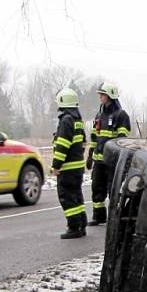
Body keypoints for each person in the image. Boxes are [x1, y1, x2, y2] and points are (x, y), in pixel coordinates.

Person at [86, 82, 131, 226]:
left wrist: (120, 160)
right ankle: (98, 216)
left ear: (110, 95)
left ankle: (115, 218)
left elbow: (122, 140)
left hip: (113, 162)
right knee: (97, 189)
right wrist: (90, 155)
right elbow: (94, 136)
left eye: (102, 94)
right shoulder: (99, 115)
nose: (100, 96)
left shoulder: (121, 115)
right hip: (99, 161)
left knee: (114, 190)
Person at [52, 87, 88, 239]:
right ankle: (81, 224)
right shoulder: (77, 120)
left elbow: (62, 145)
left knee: (66, 197)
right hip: (77, 167)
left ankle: (74, 227)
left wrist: (56, 165)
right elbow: (84, 142)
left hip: (67, 168)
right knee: (76, 196)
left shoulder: (66, 120)